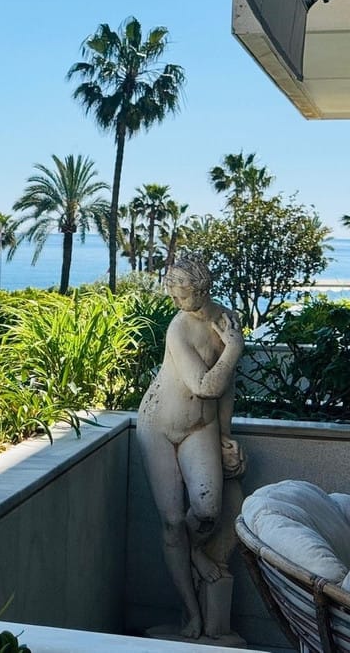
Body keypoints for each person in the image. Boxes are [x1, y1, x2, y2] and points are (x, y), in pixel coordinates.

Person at [137, 256, 245, 640]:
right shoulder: (178, 328)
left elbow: (225, 387)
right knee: (171, 522)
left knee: (207, 510)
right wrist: (234, 349)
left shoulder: (226, 320)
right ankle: (191, 612)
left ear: (201, 289)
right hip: (158, 426)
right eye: (171, 292)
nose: (175, 300)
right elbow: (205, 386)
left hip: (201, 427)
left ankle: (197, 550)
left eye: (180, 293)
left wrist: (224, 435)